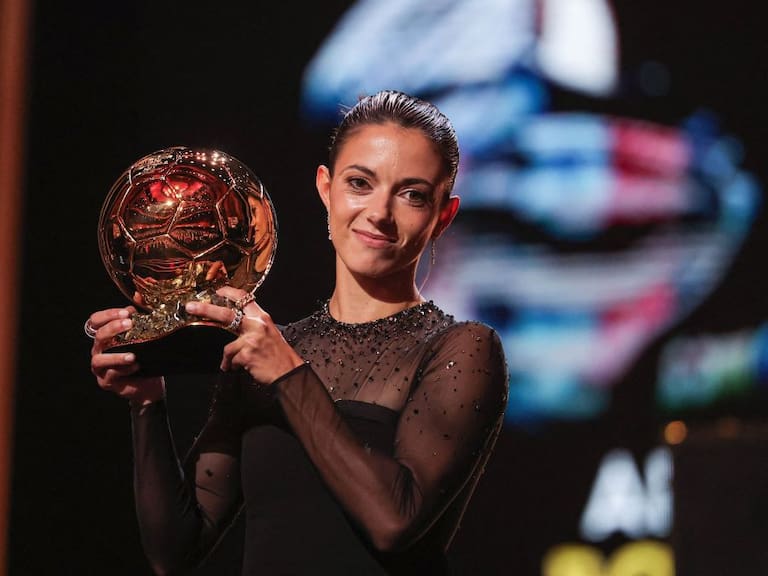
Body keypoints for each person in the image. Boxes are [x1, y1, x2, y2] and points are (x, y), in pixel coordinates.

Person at [87, 89, 509, 575]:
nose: (379, 212)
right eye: (360, 183)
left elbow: (395, 522)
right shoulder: (269, 352)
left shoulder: (462, 350)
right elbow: (175, 551)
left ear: (442, 216)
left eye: (412, 194)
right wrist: (146, 404)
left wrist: (288, 375)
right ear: (326, 188)